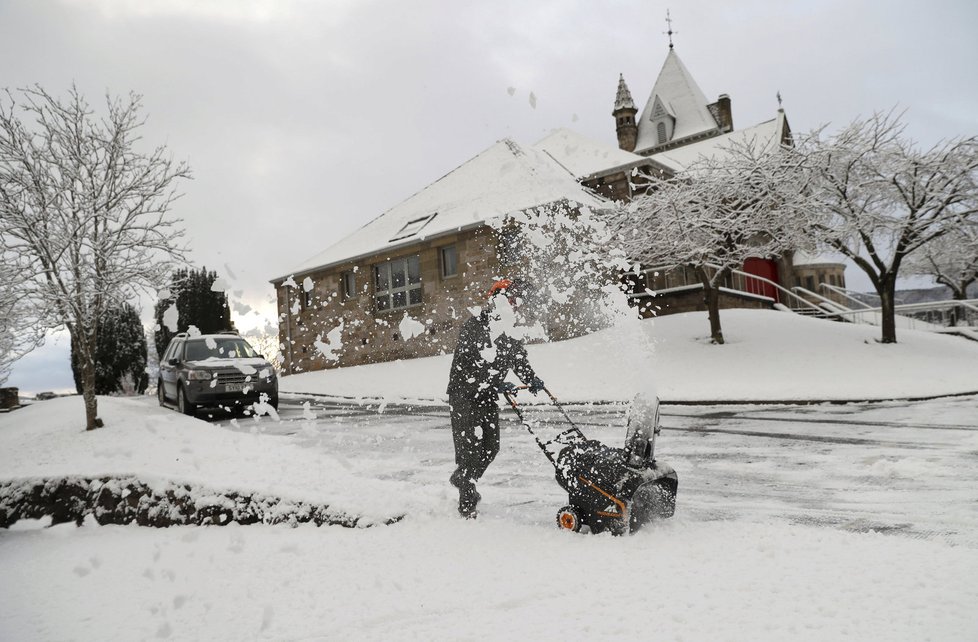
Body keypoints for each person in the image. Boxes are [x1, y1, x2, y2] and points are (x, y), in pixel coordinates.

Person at [447, 278, 545, 518]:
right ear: (495, 300)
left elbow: (518, 359)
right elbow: (468, 364)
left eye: (516, 301)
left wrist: (532, 378)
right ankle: (467, 504)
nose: (514, 305)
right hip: (465, 395)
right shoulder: (475, 325)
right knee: (470, 451)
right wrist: (494, 381)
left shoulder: (509, 330)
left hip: (488, 396)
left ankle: (463, 478)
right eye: (509, 300)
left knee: (491, 447)